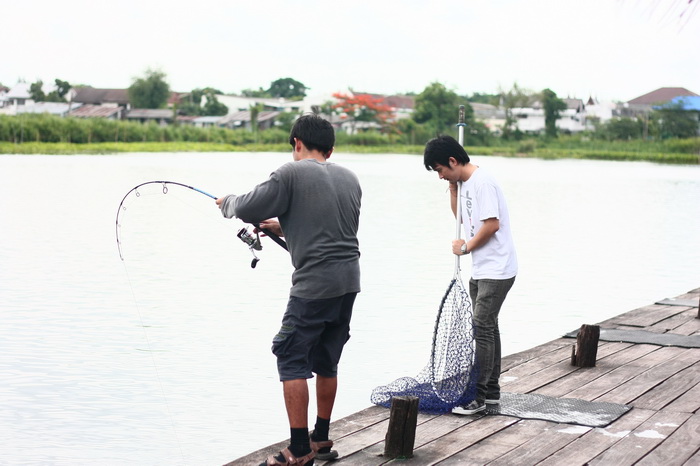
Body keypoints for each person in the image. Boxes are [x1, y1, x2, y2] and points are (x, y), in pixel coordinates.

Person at [216, 114, 362, 466]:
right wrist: (281, 227)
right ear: (330, 147)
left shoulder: (290, 172)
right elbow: (328, 226)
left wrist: (228, 203)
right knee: (328, 359)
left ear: (297, 142)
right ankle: (321, 439)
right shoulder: (350, 179)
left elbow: (247, 205)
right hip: (348, 282)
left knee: (290, 356)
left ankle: (298, 450)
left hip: (314, 286)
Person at [423, 134, 517, 415]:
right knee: (488, 327)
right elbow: (462, 220)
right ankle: (492, 393)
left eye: (440, 170)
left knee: (482, 328)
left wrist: (465, 247)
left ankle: (478, 396)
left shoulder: (483, 182)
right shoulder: (463, 184)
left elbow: (491, 226)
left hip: (497, 269)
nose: (439, 176)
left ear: (452, 161)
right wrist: (453, 189)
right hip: (482, 268)